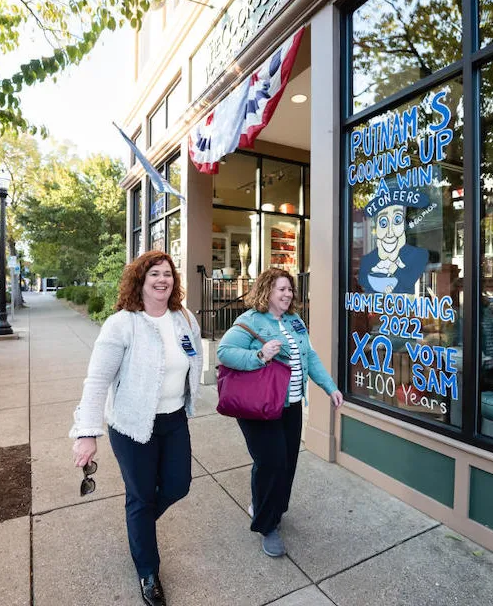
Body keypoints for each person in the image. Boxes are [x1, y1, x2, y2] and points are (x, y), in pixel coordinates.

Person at [70, 250, 203, 606]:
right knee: (142, 497)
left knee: (178, 485)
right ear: (140, 281)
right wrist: (86, 432)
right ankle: (148, 571)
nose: (163, 280)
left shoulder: (184, 319)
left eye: (168, 274)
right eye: (154, 274)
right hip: (131, 426)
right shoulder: (123, 323)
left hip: (174, 419)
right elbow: (98, 380)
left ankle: (138, 522)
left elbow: (193, 362)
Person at [217, 268, 344, 557]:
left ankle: (272, 506)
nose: (287, 294)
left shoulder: (295, 320)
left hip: (291, 405)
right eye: (281, 289)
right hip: (260, 406)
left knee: (286, 462)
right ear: (266, 291)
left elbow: (309, 356)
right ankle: (267, 524)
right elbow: (224, 352)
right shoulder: (249, 320)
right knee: (271, 462)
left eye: (289, 290)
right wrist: (259, 356)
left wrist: (330, 387)